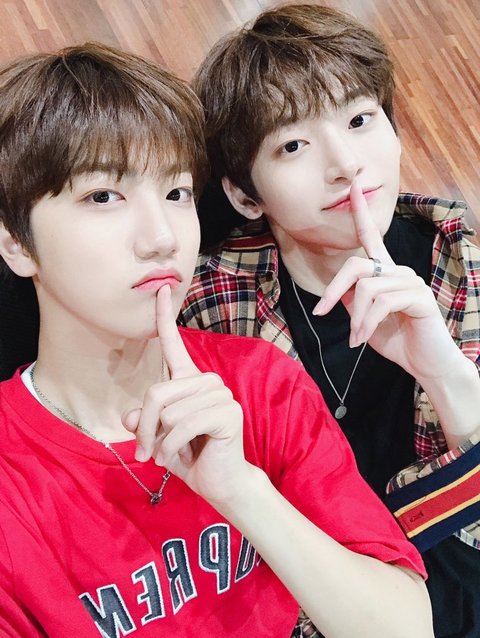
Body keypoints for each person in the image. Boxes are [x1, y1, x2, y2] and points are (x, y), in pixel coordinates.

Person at [0, 42, 433, 638]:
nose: (161, 237)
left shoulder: (260, 381)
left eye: (176, 193)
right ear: (15, 242)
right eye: (103, 197)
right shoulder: (15, 485)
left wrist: (242, 492)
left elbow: (406, 627)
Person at [178, 4, 480, 637]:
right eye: (293, 145)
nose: (346, 163)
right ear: (243, 194)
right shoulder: (210, 302)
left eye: (361, 119)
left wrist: (445, 373)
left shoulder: (465, 266)